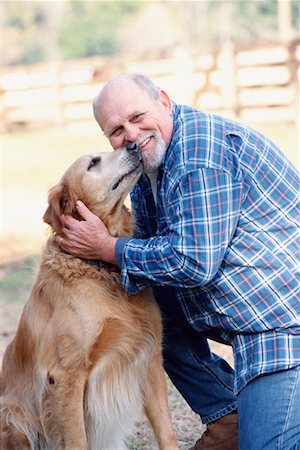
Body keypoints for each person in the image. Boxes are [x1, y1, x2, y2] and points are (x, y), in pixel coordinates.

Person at [57, 74, 300, 450]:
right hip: (235, 310)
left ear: (165, 102)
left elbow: (192, 262)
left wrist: (108, 249)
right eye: (117, 130)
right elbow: (154, 255)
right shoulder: (145, 163)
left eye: (138, 117)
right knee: (140, 304)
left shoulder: (199, 157)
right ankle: (227, 413)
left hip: (280, 327)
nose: (132, 135)